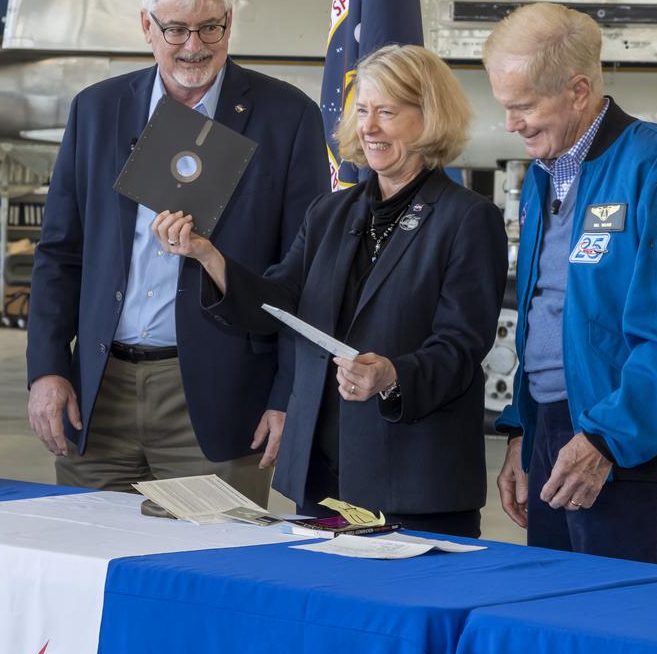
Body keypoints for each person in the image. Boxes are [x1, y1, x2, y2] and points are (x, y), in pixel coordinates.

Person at [155, 44, 507, 537]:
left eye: (387, 112)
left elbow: (460, 348)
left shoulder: (468, 219)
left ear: (430, 118)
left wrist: (391, 375)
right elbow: (278, 304)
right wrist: (207, 256)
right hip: (322, 478)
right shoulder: (331, 212)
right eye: (362, 111)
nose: (369, 127)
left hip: (414, 483)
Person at [26, 0, 327, 504]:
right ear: (146, 25)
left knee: (204, 574)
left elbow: (304, 277)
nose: (195, 48)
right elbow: (60, 253)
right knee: (91, 562)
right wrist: (47, 369)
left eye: (211, 28)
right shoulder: (97, 110)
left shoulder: (287, 119)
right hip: (99, 391)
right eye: (177, 30)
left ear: (230, 21)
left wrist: (289, 395)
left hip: (219, 398)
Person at [487, 2, 657, 571]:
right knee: (560, 627)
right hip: (557, 437)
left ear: (577, 90)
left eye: (522, 106)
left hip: (636, 447)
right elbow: (547, 316)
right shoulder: (541, 181)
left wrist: (606, 438)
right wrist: (525, 431)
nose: (511, 123)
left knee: (632, 636)